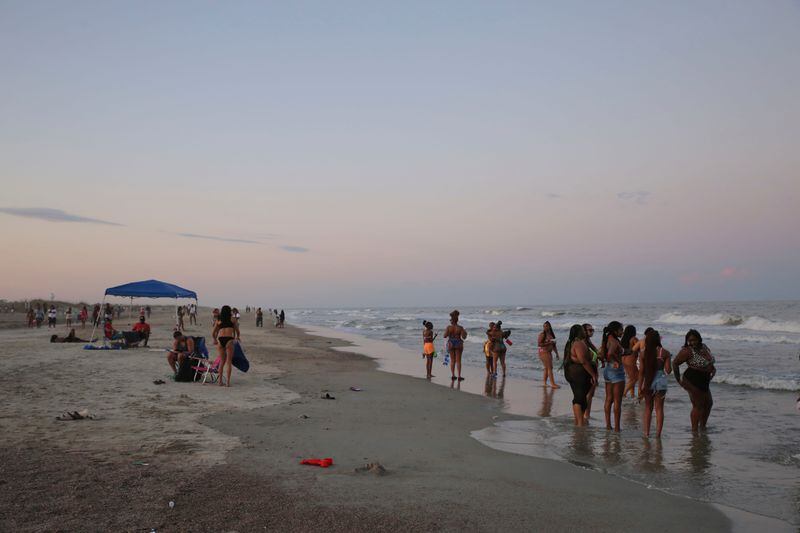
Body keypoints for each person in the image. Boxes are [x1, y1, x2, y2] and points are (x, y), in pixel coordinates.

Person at [673, 329, 716, 432]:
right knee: (698, 405)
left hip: (704, 380)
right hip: (692, 379)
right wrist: (678, 379)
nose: (692, 342)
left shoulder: (704, 347)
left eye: (694, 340)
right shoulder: (687, 351)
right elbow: (675, 363)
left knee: (709, 403)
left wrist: (712, 369)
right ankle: (694, 430)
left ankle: (703, 426)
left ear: (699, 339)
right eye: (690, 340)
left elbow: (709, 361)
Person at [563, 324, 597, 426]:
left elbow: (572, 359)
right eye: (583, 330)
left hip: (571, 373)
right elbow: (583, 361)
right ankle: (580, 423)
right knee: (579, 398)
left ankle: (578, 421)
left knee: (579, 397)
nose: (584, 332)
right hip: (578, 374)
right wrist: (593, 374)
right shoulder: (578, 343)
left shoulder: (570, 343)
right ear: (579, 332)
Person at [641, 329, 672, 438]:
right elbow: (668, 371)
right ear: (658, 339)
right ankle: (658, 435)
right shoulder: (665, 352)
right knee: (659, 409)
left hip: (648, 381)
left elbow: (641, 372)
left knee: (648, 408)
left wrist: (640, 386)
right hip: (661, 382)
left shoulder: (643, 352)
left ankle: (647, 433)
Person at [601, 321, 625, 432]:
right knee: (617, 401)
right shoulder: (614, 341)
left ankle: (608, 425)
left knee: (608, 399)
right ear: (615, 331)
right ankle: (617, 428)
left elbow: (603, 353)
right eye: (621, 330)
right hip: (616, 372)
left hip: (607, 370)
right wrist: (616, 361)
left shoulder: (607, 339)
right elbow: (610, 354)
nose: (623, 332)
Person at [212, 305, 240, 387]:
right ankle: (227, 382)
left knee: (222, 362)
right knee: (229, 362)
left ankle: (220, 382)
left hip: (220, 340)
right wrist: (238, 337)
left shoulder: (218, 321)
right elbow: (237, 331)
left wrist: (214, 339)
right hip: (229, 340)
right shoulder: (233, 320)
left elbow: (213, 333)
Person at [582, 323, 600, 422]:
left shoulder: (588, 341)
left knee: (590, 394)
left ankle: (586, 414)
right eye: (589, 330)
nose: (592, 331)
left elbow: (596, 353)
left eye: (592, 329)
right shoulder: (583, 343)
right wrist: (593, 375)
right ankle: (585, 415)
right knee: (588, 394)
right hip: (588, 371)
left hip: (593, 370)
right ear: (583, 331)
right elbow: (584, 360)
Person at [444, 310, 468, 381]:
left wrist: (448, 333)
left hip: (451, 343)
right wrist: (465, 332)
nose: (450, 321)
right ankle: (459, 376)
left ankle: (453, 375)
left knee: (452, 360)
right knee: (458, 361)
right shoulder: (460, 328)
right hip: (458, 343)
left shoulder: (449, 327)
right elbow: (464, 337)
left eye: (450, 320)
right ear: (457, 320)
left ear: (452, 321)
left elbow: (445, 336)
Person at [537, 321, 560, 388]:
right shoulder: (542, 334)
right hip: (543, 352)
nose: (545, 327)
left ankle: (544, 382)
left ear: (549, 326)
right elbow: (539, 344)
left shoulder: (551, 335)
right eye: (544, 326)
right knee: (550, 368)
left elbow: (554, 346)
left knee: (547, 368)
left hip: (549, 352)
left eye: (546, 326)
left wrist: (557, 354)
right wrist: (548, 343)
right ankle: (553, 384)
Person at [620, 325, 639, 399]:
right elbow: (640, 347)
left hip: (623, 359)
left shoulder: (623, 339)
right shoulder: (634, 339)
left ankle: (632, 395)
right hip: (630, 359)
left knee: (631, 378)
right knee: (636, 378)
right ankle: (624, 393)